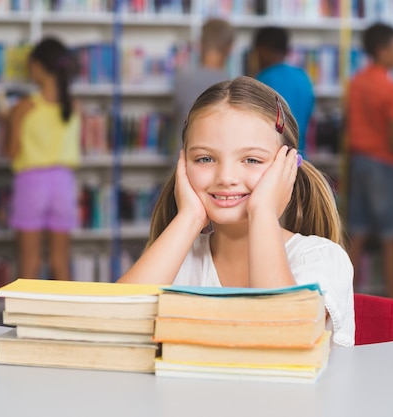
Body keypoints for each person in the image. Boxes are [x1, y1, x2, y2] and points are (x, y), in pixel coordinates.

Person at [119, 76, 354, 347]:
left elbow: (281, 341)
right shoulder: (179, 256)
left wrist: (263, 212)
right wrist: (189, 218)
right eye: (205, 159)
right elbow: (112, 328)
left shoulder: (321, 259)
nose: (226, 177)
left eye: (252, 160)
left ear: (288, 167)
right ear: (183, 164)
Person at [7, 37, 81, 281]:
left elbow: (11, 151)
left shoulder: (24, 107)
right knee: (60, 261)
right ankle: (66, 318)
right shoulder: (74, 107)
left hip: (31, 182)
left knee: (30, 261)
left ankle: (25, 320)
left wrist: (5, 122)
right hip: (63, 182)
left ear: (38, 66)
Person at [346, 23, 393, 299]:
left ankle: (346, 298)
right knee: (390, 237)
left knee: (356, 233)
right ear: (382, 51)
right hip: (384, 164)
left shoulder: (356, 82)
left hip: (358, 162)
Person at [252, 26, 314, 154]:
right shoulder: (302, 77)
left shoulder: (264, 80)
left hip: (274, 156)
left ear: (261, 50)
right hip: (300, 156)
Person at [174, 18, 234, 144]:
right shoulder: (233, 86)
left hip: (182, 157)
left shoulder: (182, 80)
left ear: (199, 45)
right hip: (213, 159)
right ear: (229, 48)